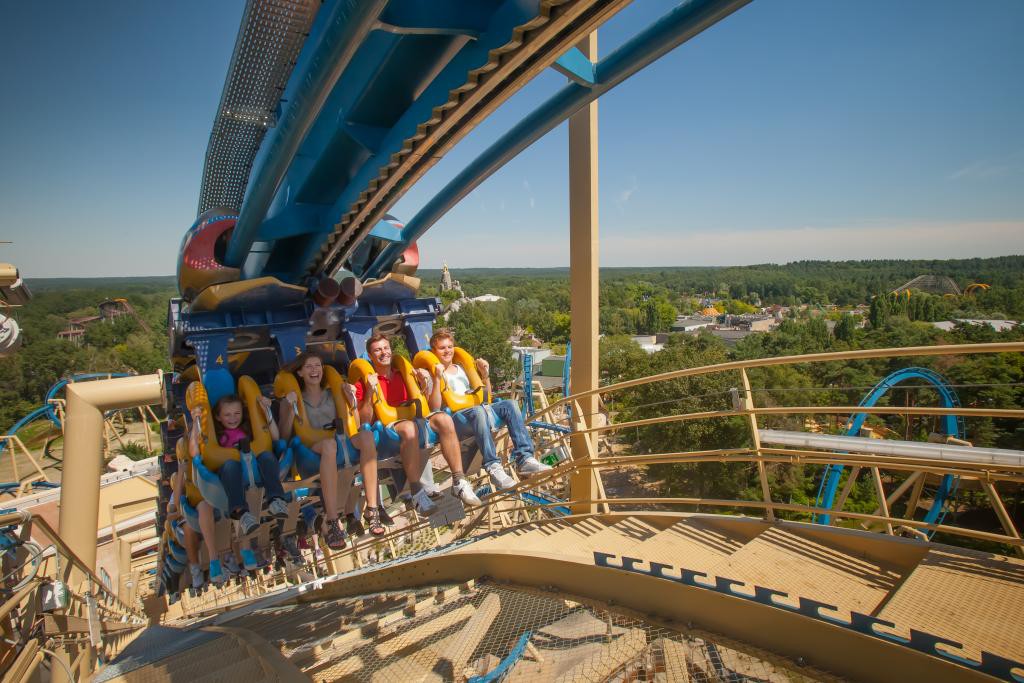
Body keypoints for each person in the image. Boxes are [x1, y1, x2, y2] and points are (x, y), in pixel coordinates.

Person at [354, 333, 482, 512]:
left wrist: (425, 383)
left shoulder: (404, 374)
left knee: (443, 419)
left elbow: (428, 406)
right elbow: (364, 421)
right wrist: (369, 391)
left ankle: (458, 481)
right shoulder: (365, 381)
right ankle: (416, 492)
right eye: (377, 350)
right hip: (386, 429)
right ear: (370, 356)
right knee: (409, 428)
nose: (383, 352)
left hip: (414, 419)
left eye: (386, 348)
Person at [278, 352, 384, 551]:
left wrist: (350, 399)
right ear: (299, 372)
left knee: (367, 436)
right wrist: (291, 408)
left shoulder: (332, 394)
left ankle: (373, 509)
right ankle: (333, 520)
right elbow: (284, 435)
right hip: (312, 450)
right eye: (308, 366)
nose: (314, 370)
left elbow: (356, 423)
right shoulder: (291, 400)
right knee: (329, 445)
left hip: (338, 441)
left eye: (317, 365)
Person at [428, 329, 551, 481]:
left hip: (476, 409)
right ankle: (492, 464)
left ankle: (524, 458)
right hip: (457, 417)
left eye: (449, 346)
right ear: (434, 351)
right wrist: (437, 379)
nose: (447, 351)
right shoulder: (433, 372)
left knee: (511, 404)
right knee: (479, 411)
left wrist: (485, 375)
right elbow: (434, 407)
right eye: (442, 348)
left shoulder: (461, 369)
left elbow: (486, 396)